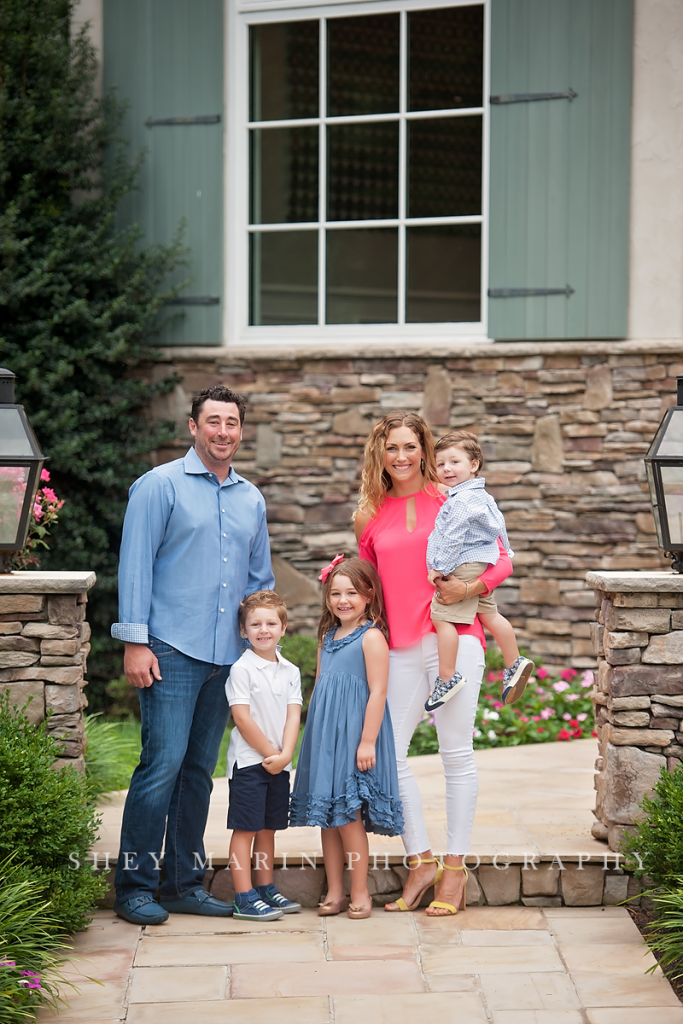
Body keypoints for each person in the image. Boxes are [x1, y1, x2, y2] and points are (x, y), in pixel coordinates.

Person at [111, 385, 274, 926]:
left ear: (241, 431)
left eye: (232, 423)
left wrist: (260, 652)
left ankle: (182, 883)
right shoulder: (159, 487)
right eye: (213, 422)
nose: (223, 431)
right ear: (192, 427)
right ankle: (134, 885)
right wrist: (135, 641)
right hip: (169, 649)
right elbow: (135, 565)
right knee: (161, 765)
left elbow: (259, 582)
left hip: (227, 656)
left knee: (200, 771)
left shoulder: (252, 498)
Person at [355, 411, 512, 918]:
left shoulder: (454, 496)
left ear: (425, 450)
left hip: (455, 637)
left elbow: (502, 559)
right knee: (388, 755)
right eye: (391, 448)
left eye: (409, 447)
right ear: (379, 454)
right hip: (396, 645)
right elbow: (368, 582)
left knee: (455, 755)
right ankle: (419, 858)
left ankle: (454, 866)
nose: (401, 457)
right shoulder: (368, 514)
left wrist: (470, 588)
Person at [290, 556, 403, 920]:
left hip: (355, 737)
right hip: (326, 737)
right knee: (328, 815)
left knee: (349, 814)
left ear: (369, 594)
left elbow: (378, 692)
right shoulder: (326, 638)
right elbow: (321, 687)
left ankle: (360, 891)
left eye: (352, 592)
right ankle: (335, 891)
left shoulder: (371, 638)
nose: (343, 600)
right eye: (335, 593)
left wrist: (367, 741)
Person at [425, 431, 534, 712]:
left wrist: (439, 569)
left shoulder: (459, 502)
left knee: (441, 617)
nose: (446, 469)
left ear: (473, 464)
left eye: (454, 462)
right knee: (490, 614)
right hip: (482, 562)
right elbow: (499, 526)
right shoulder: (481, 496)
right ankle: (514, 661)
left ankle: (447, 677)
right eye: (440, 464)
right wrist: (506, 550)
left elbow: (452, 539)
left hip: (462, 565)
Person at [226, 590, 303, 922]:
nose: (263, 630)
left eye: (271, 623)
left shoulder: (290, 671)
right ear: (244, 631)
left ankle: (264, 887)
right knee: (246, 829)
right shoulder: (241, 670)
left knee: (268, 829)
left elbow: (293, 715)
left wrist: (286, 754)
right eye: (255, 624)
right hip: (250, 763)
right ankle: (243, 896)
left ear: (283, 628)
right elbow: (242, 719)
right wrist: (272, 754)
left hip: (278, 762)